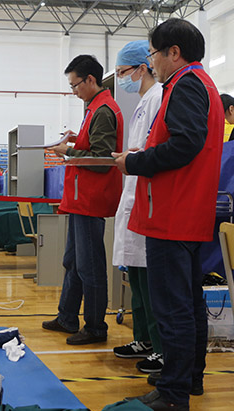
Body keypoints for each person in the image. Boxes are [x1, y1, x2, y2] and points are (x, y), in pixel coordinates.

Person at [113, 19, 224, 410]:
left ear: (173, 52)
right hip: (185, 212)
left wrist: (135, 162)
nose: (153, 63)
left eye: (154, 55)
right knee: (187, 305)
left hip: (172, 213)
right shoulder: (200, 85)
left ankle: (174, 392)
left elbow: (184, 145)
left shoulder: (186, 85)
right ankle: (188, 379)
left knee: (173, 308)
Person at [43, 54, 124, 345]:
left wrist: (68, 152)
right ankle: (67, 316)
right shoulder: (94, 108)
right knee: (73, 261)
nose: (74, 91)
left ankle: (95, 327)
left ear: (91, 79)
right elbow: (95, 145)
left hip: (90, 199)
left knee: (90, 266)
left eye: (75, 85)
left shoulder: (103, 110)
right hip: (81, 198)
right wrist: (77, 139)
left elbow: (102, 158)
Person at [111, 40, 164, 374]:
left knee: (150, 282)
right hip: (133, 194)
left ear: (142, 67)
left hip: (146, 198)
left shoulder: (158, 97)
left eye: (123, 72)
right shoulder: (143, 101)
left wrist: (131, 158)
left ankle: (160, 347)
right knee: (137, 278)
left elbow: (152, 149)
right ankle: (143, 338)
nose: (121, 79)